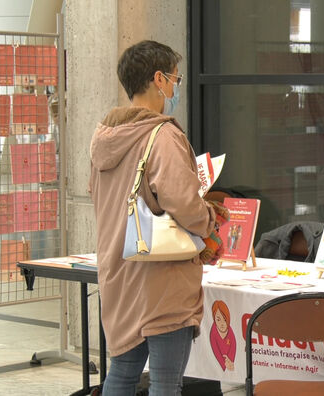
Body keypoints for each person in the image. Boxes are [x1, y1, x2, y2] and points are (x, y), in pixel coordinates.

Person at [89, 40, 224, 395]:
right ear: (159, 79)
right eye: (176, 80)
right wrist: (209, 217)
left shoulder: (104, 136)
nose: (177, 88)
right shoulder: (162, 135)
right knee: (166, 383)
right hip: (162, 281)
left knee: (121, 374)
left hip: (119, 274)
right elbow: (184, 202)